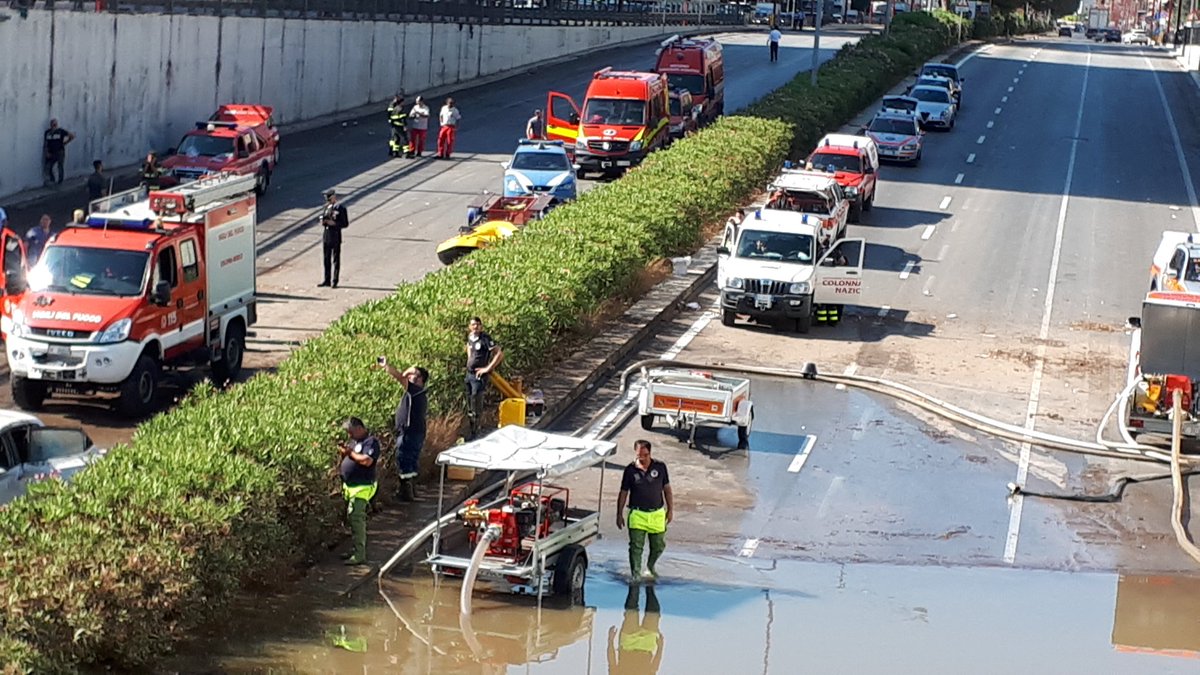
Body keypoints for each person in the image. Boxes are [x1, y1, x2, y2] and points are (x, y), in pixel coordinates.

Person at [615, 439, 673, 581]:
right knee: (636, 547)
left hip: (657, 513)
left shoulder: (660, 467)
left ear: (650, 453)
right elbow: (623, 492)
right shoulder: (630, 470)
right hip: (637, 514)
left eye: (645, 455)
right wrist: (619, 513)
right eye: (639, 455)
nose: (642, 458)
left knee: (658, 545)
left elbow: (667, 489)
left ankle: (650, 566)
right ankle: (635, 574)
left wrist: (670, 509)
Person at [377, 358, 429, 502]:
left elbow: (399, 377)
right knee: (411, 461)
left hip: (408, 433)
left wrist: (386, 365)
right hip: (416, 432)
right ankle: (411, 490)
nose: (409, 375)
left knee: (404, 460)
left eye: (414, 374)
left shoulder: (415, 391)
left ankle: (406, 492)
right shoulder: (419, 392)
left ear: (420, 379)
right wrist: (410, 371)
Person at [338, 417, 380, 566]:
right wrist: (345, 453)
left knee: (356, 519)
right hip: (351, 487)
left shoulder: (371, 442)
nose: (349, 435)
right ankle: (355, 549)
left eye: (351, 431)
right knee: (351, 519)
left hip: (362, 487)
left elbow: (367, 461)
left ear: (359, 428)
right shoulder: (354, 442)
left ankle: (360, 554)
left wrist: (350, 454)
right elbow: (351, 456)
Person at [608, 584, 664, 675]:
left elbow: (612, 663)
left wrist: (610, 641)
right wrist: (660, 648)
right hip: (646, 646)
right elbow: (654, 669)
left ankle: (636, 579)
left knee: (631, 610)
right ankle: (648, 582)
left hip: (628, 644)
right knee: (653, 611)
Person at [464, 316, 503, 439]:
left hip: (478, 376)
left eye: (477, 325)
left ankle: (476, 431)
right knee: (469, 402)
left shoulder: (485, 339)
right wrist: (469, 360)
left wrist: (488, 368)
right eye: (473, 325)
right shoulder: (470, 337)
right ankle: (471, 429)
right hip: (469, 374)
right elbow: (469, 348)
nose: (475, 327)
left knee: (476, 401)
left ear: (481, 326)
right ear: (470, 327)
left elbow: (499, 353)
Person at [317, 189, 349, 288]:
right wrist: (324, 222)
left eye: (329, 198)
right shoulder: (326, 208)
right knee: (326, 259)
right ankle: (327, 279)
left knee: (335, 259)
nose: (328, 200)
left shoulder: (340, 208)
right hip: (327, 235)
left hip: (335, 235)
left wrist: (335, 224)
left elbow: (345, 223)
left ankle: (335, 280)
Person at [43, 119, 76, 186]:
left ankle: (60, 182)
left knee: (60, 166)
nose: (54, 125)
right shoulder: (47, 132)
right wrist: (46, 152)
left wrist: (65, 143)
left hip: (59, 151)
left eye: (55, 124)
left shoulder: (61, 131)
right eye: (53, 124)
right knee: (49, 166)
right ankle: (52, 179)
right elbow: (46, 143)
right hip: (51, 152)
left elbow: (72, 136)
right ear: (51, 125)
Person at [386, 94, 410, 158]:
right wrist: (405, 126)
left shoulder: (395, 108)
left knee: (396, 138)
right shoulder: (400, 108)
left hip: (394, 125)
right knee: (405, 139)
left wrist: (391, 121)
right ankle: (406, 153)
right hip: (399, 126)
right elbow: (402, 118)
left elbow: (390, 116)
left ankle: (394, 152)